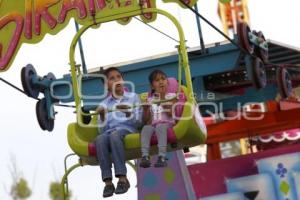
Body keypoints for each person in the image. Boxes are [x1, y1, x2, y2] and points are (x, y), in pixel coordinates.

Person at [95, 67, 141, 198]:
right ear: (107, 85)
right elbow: (102, 130)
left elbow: (138, 122)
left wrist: (128, 113)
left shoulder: (133, 97)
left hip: (127, 130)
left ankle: (122, 178)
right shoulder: (104, 104)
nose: (117, 80)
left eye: (118, 77)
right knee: (100, 139)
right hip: (110, 133)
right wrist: (103, 117)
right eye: (112, 78)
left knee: (115, 135)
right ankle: (107, 181)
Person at [139, 69, 178, 168]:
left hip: (167, 124)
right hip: (153, 125)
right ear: (152, 86)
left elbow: (170, 113)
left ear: (167, 83)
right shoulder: (150, 100)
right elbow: (147, 121)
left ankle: (162, 156)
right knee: (145, 128)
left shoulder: (172, 97)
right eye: (157, 80)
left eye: (163, 79)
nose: (161, 81)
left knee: (160, 126)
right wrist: (145, 109)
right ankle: (145, 156)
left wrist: (162, 98)